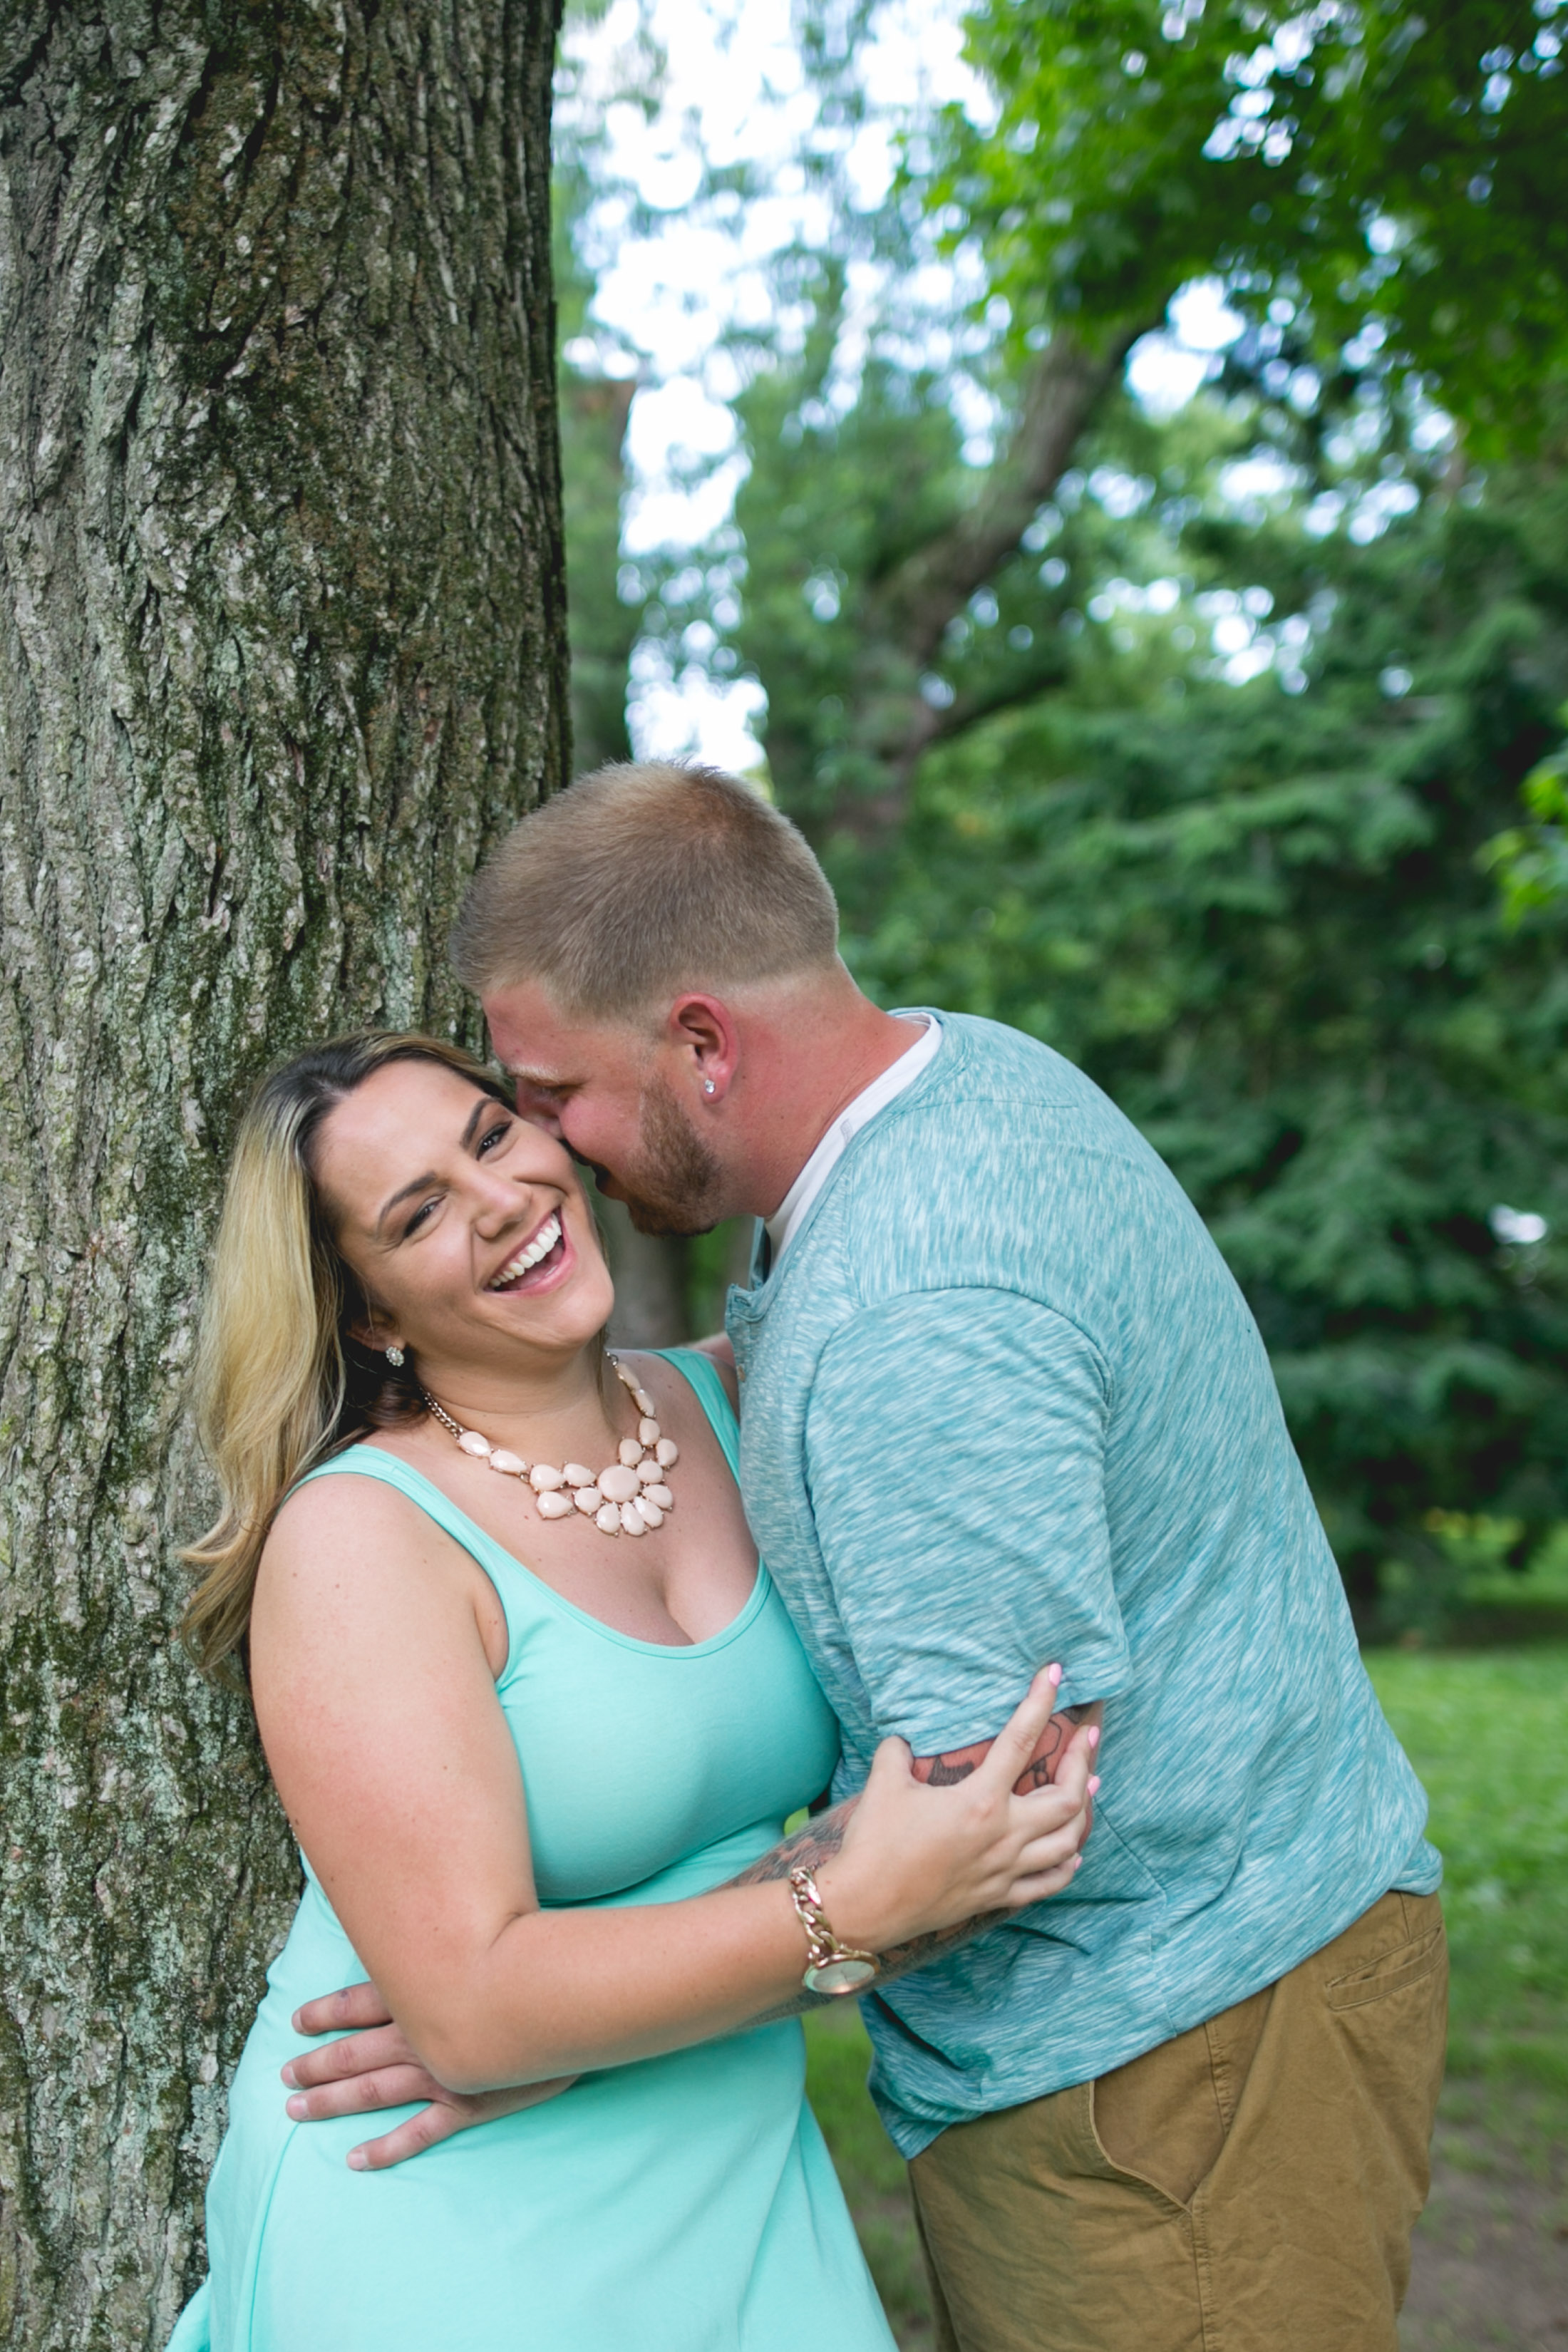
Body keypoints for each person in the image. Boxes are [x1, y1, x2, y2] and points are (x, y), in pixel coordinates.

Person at [287, 762, 1449, 2352]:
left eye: (543, 1102)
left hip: (1161, 2068)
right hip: (1234, 1983)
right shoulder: (967, 1084)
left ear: (700, 1042)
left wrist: (551, 2025)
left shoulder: (912, 1313)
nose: (542, 1159)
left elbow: (984, 1830)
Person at [166, 1028, 1095, 2352]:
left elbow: (989, 1810)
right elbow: (472, 2011)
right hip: (450, 2218)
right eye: (419, 1213)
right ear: (369, 1312)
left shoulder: (737, 1397)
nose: (500, 1202)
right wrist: (855, 1907)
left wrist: (586, 2018)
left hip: (733, 2158)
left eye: (494, 1138)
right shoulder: (364, 1539)